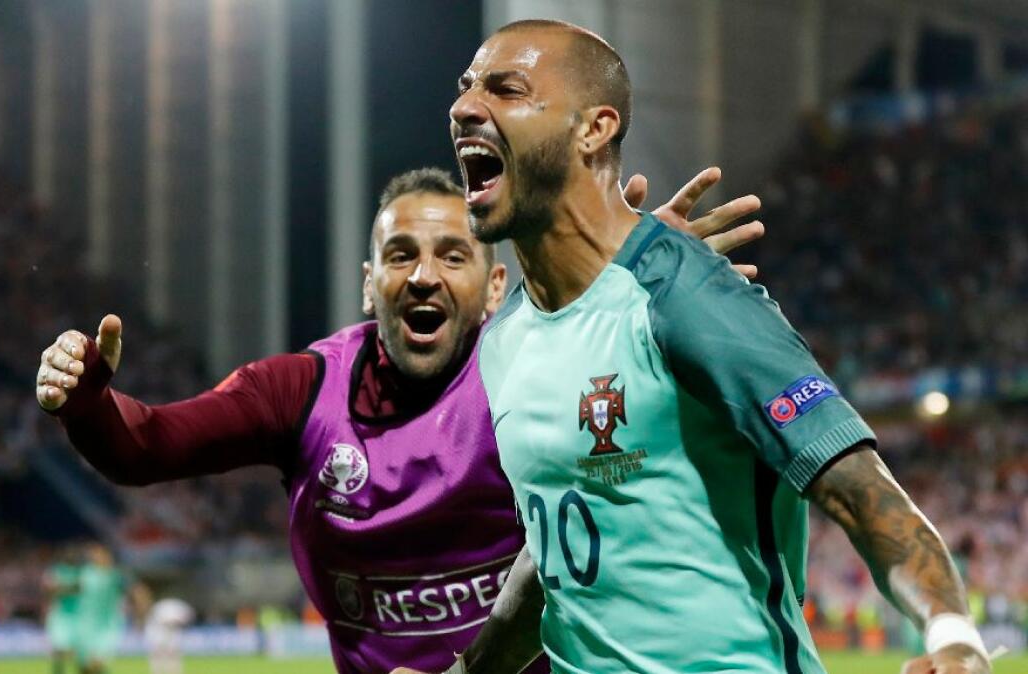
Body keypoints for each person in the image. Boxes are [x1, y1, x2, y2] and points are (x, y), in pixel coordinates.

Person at [396, 18, 990, 674]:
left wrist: (952, 635)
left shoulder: (685, 297)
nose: (464, 107)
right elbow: (560, 551)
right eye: (465, 88)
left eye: (506, 89)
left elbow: (859, 486)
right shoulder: (505, 341)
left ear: (594, 129)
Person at [36, 165, 763, 673]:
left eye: (454, 255)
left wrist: (649, 294)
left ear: (493, 287)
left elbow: (645, 390)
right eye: (400, 255)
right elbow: (146, 446)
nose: (423, 275)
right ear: (368, 283)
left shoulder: (544, 370)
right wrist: (87, 400)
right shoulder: (299, 393)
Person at [74, 544, 127, 674]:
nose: (95, 557)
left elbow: (136, 591)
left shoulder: (117, 576)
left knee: (97, 662)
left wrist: (141, 612)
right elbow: (72, 590)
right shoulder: (85, 574)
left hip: (108, 625)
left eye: (99, 554)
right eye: (93, 554)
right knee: (85, 665)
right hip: (86, 624)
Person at [44, 546, 83, 674]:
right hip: (60, 615)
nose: (72, 556)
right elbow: (49, 591)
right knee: (58, 647)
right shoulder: (56, 571)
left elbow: (83, 589)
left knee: (78, 649)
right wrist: (71, 588)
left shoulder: (80, 571)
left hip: (78, 615)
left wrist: (62, 589)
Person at [144, 596, 194, 674]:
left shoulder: (180, 607)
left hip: (173, 632)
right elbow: (159, 620)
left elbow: (187, 618)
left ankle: (174, 671)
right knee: (157, 653)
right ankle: (157, 671)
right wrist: (171, 622)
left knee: (173, 653)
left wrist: (177, 622)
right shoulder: (160, 607)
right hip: (159, 632)